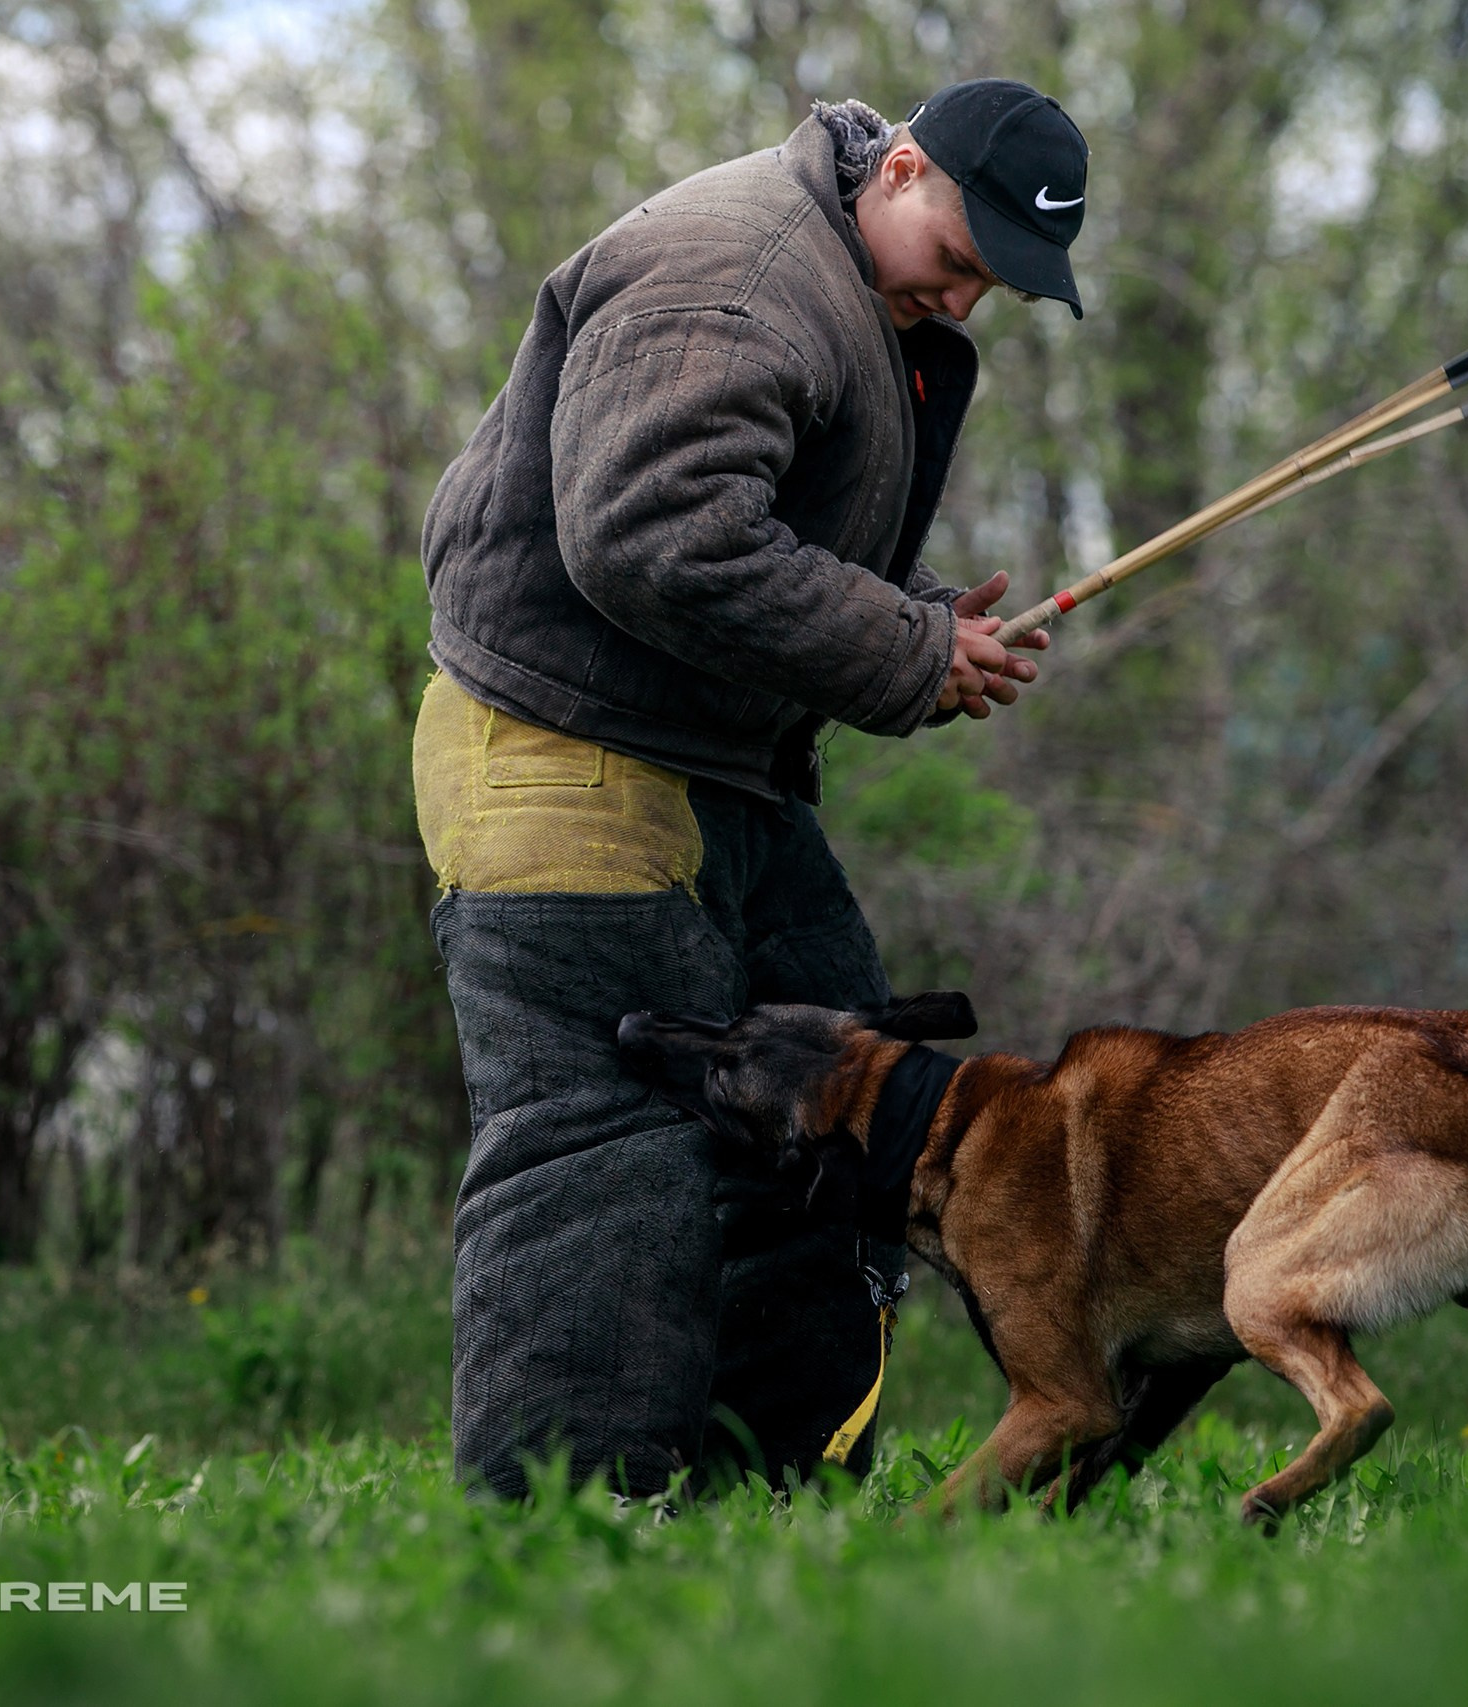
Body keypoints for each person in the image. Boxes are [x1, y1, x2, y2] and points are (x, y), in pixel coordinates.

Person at [413, 78, 1091, 1499]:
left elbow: (754, 522)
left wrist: (912, 620)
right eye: (961, 263)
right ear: (901, 170)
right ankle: (567, 1533)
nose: (967, 304)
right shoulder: (738, 278)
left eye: (994, 289)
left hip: (717, 760)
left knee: (833, 1087)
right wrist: (906, 650)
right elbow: (654, 532)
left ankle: (769, 1498)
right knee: (609, 1145)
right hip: (565, 747)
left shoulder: (852, 275)